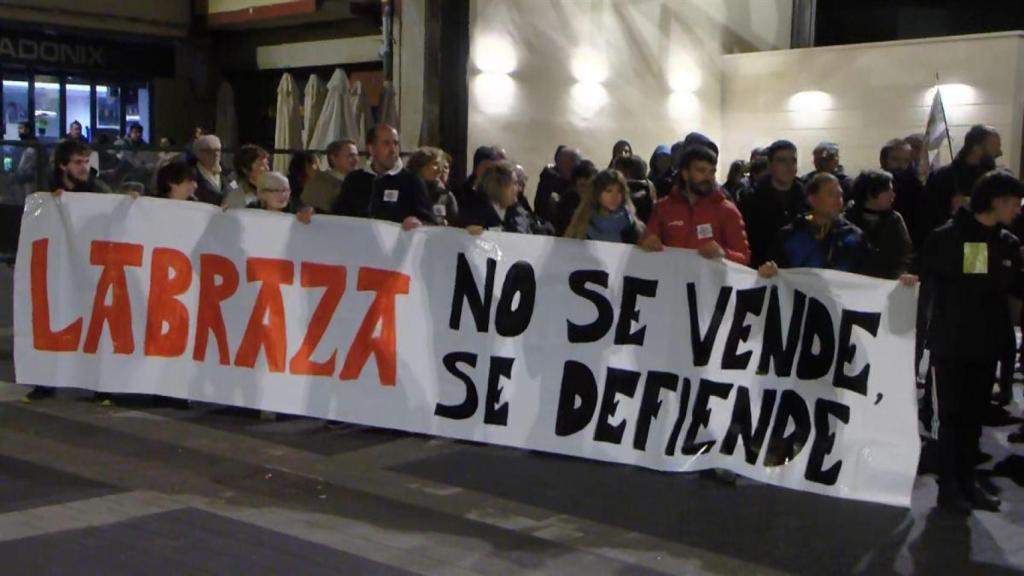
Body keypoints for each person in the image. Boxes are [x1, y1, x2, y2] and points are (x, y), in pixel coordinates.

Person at [918, 170, 1024, 513]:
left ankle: (967, 480)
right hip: (953, 344)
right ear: (997, 201)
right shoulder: (952, 237)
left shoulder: (1007, 242)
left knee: (974, 418)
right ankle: (949, 486)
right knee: (951, 418)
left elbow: (1009, 289)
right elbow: (965, 282)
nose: (1018, 210)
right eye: (1014, 203)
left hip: (986, 344)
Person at [639, 145, 750, 265]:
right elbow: (646, 241)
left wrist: (723, 254)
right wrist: (647, 242)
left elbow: (744, 257)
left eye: (712, 171)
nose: (708, 177)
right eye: (701, 170)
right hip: (671, 280)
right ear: (685, 174)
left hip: (711, 282)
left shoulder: (727, 211)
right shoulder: (663, 208)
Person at [758, 173, 867, 275]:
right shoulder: (789, 236)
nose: (838, 200)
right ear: (812, 199)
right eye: (831, 194)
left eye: (840, 195)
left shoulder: (854, 238)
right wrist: (769, 272)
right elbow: (777, 274)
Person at [917, 125, 1002, 250]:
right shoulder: (942, 177)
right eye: (995, 147)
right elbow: (928, 219)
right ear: (977, 148)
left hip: (979, 247)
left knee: (976, 270)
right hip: (947, 249)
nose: (1000, 153)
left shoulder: (995, 180)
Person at [335, 124, 434, 230]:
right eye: (386, 143)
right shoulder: (354, 180)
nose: (393, 149)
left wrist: (418, 223)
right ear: (371, 149)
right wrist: (316, 214)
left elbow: (430, 221)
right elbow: (337, 217)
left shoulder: (412, 181)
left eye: (395, 143)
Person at [739, 139, 807, 268]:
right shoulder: (751, 199)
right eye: (782, 161)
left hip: (798, 272)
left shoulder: (807, 198)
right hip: (762, 270)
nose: (789, 166)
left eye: (793, 161)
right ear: (770, 165)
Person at [845, 170, 915, 280]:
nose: (893, 195)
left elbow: (906, 254)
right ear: (871, 193)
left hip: (886, 285)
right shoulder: (847, 219)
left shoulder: (894, 219)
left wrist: (901, 274)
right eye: (888, 190)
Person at [464, 161, 551, 235]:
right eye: (515, 183)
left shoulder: (518, 212)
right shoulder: (476, 214)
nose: (519, 189)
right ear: (501, 187)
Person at [564, 168, 644, 244]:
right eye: (609, 191)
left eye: (619, 191)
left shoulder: (633, 225)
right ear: (597, 193)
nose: (614, 197)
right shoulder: (582, 225)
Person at [880, 138, 925, 248]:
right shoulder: (874, 183)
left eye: (906, 161)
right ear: (884, 160)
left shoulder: (916, 187)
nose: (901, 165)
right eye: (895, 159)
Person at [301, 139, 359, 213]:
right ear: (333, 158)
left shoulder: (361, 183)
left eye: (357, 156)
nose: (356, 160)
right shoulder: (318, 184)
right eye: (351, 155)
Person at [407, 146, 459, 226]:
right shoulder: (408, 191)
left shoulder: (446, 196)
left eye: (441, 165)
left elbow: (456, 224)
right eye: (435, 164)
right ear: (421, 167)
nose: (440, 170)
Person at [550, 160, 597, 236]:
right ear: (575, 185)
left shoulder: (599, 200)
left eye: (590, 185)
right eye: (582, 185)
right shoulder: (568, 202)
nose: (586, 189)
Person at [535, 146, 580, 225]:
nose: (577, 164)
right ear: (562, 162)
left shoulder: (574, 180)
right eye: (573, 159)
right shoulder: (550, 179)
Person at [612, 154, 655, 224]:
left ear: (629, 171)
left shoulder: (640, 192)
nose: (615, 174)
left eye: (618, 170)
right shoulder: (648, 185)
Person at [192, 134, 234, 206]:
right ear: (199, 153)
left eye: (218, 150)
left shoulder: (229, 175)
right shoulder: (191, 176)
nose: (216, 154)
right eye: (210, 151)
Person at [223, 144, 269, 209]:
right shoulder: (235, 192)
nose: (267, 169)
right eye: (261, 165)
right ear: (245, 169)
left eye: (267, 164)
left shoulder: (271, 189)